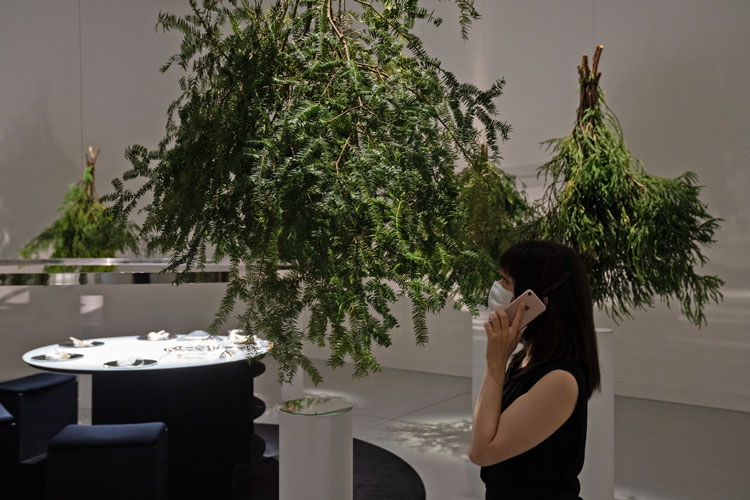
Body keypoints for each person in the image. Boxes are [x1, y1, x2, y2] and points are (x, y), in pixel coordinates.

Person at [469, 240, 601, 499]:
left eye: (506, 281)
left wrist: (495, 365)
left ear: (538, 300)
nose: (497, 289)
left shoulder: (559, 380)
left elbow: (481, 451)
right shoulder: (526, 357)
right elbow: (486, 429)